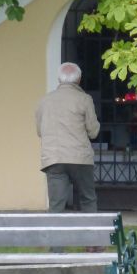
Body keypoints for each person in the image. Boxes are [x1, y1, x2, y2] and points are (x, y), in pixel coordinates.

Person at [36, 62, 101, 251]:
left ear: (59, 79)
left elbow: (40, 131)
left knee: (56, 205)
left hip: (53, 158)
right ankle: (91, 244)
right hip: (80, 158)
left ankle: (56, 249)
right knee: (88, 199)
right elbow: (93, 131)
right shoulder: (84, 99)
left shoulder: (44, 101)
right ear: (79, 80)